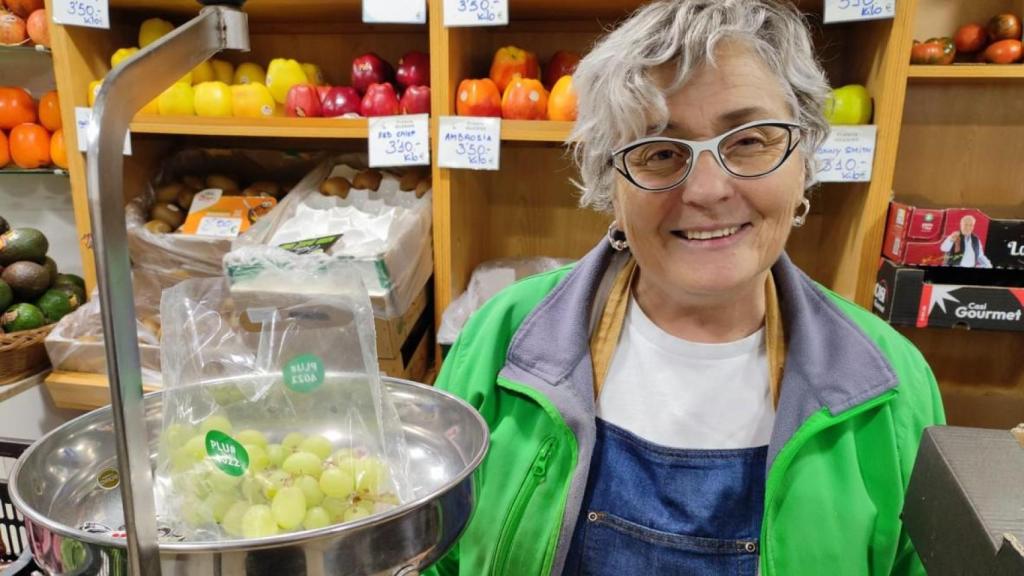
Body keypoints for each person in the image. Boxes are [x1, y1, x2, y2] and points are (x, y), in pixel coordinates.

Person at [426, 1, 945, 574]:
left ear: (804, 161)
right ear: (611, 188)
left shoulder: (890, 388)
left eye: (749, 140)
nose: (707, 190)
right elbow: (434, 555)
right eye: (660, 152)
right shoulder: (501, 345)